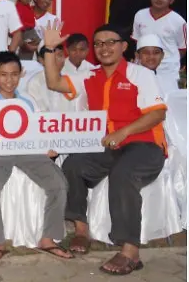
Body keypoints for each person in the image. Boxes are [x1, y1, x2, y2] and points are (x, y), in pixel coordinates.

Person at [41, 21, 167, 276]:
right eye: (98, 43)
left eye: (111, 42)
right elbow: (54, 83)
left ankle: (130, 251)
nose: (104, 48)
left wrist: (123, 132)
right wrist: (49, 48)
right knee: (73, 165)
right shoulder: (89, 76)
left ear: (123, 46)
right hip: (109, 146)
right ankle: (81, 230)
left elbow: (157, 114)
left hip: (144, 144)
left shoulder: (139, 74)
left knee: (123, 173)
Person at [0, 51, 71, 261]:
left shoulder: (27, 101)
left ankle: (48, 239)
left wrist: (47, 148)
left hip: (27, 151)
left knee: (59, 183)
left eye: (14, 74)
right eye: (4, 74)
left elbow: (36, 133)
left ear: (21, 74)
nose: (9, 80)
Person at [131, 0, 186, 93]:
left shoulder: (178, 21)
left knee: (167, 104)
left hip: (167, 72)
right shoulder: (140, 15)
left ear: (171, 0)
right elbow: (137, 41)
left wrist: (166, 62)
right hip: (142, 68)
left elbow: (183, 48)